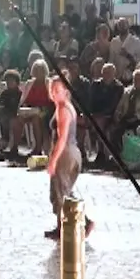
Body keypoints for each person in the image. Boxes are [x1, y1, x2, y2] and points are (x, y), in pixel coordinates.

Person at [43, 76, 92, 241]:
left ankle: (76, 224)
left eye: (57, 90)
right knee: (65, 190)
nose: (54, 93)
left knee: (60, 192)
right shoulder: (65, 107)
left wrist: (53, 160)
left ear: (66, 91)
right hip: (72, 152)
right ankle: (68, 225)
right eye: (52, 90)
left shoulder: (63, 109)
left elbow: (62, 138)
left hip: (67, 153)